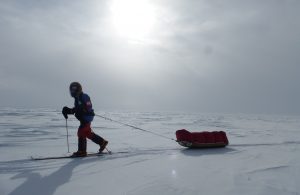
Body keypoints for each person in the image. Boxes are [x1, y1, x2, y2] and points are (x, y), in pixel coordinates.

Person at [62, 82, 108, 157]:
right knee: (87, 133)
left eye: (74, 89)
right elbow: (76, 109)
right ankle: (102, 142)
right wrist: (68, 111)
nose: (73, 91)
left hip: (87, 117)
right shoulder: (77, 99)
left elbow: (88, 106)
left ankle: (82, 151)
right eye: (71, 89)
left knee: (81, 132)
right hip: (83, 118)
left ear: (78, 89)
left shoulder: (84, 96)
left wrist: (83, 109)